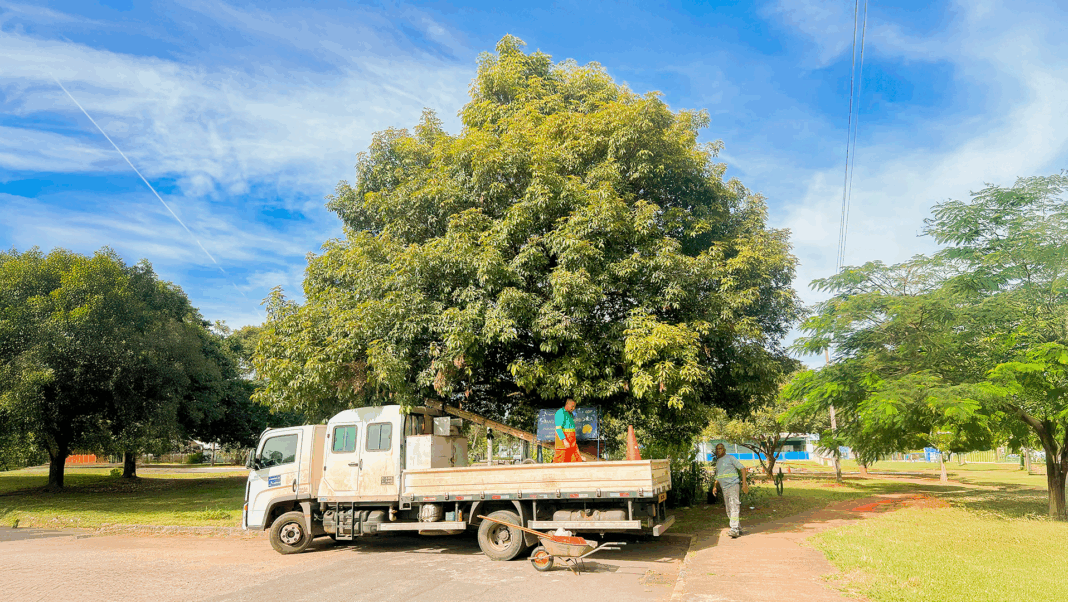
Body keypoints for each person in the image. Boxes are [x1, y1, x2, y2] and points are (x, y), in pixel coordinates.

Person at [711, 443, 748, 537]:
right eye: (717, 449)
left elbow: (743, 469)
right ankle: (738, 528)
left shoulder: (730, 458)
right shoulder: (719, 461)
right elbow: (718, 476)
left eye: (720, 449)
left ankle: (734, 529)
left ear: (724, 450)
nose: (718, 450)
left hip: (733, 485)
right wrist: (715, 486)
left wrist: (744, 484)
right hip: (724, 488)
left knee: (734, 506)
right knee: (728, 509)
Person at [553, 399, 584, 463]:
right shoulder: (560, 413)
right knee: (560, 460)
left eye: (574, 406)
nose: (573, 408)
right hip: (563, 443)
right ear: (567, 404)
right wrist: (564, 441)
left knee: (576, 460)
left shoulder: (570, 414)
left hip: (572, 443)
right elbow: (558, 429)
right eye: (572, 406)